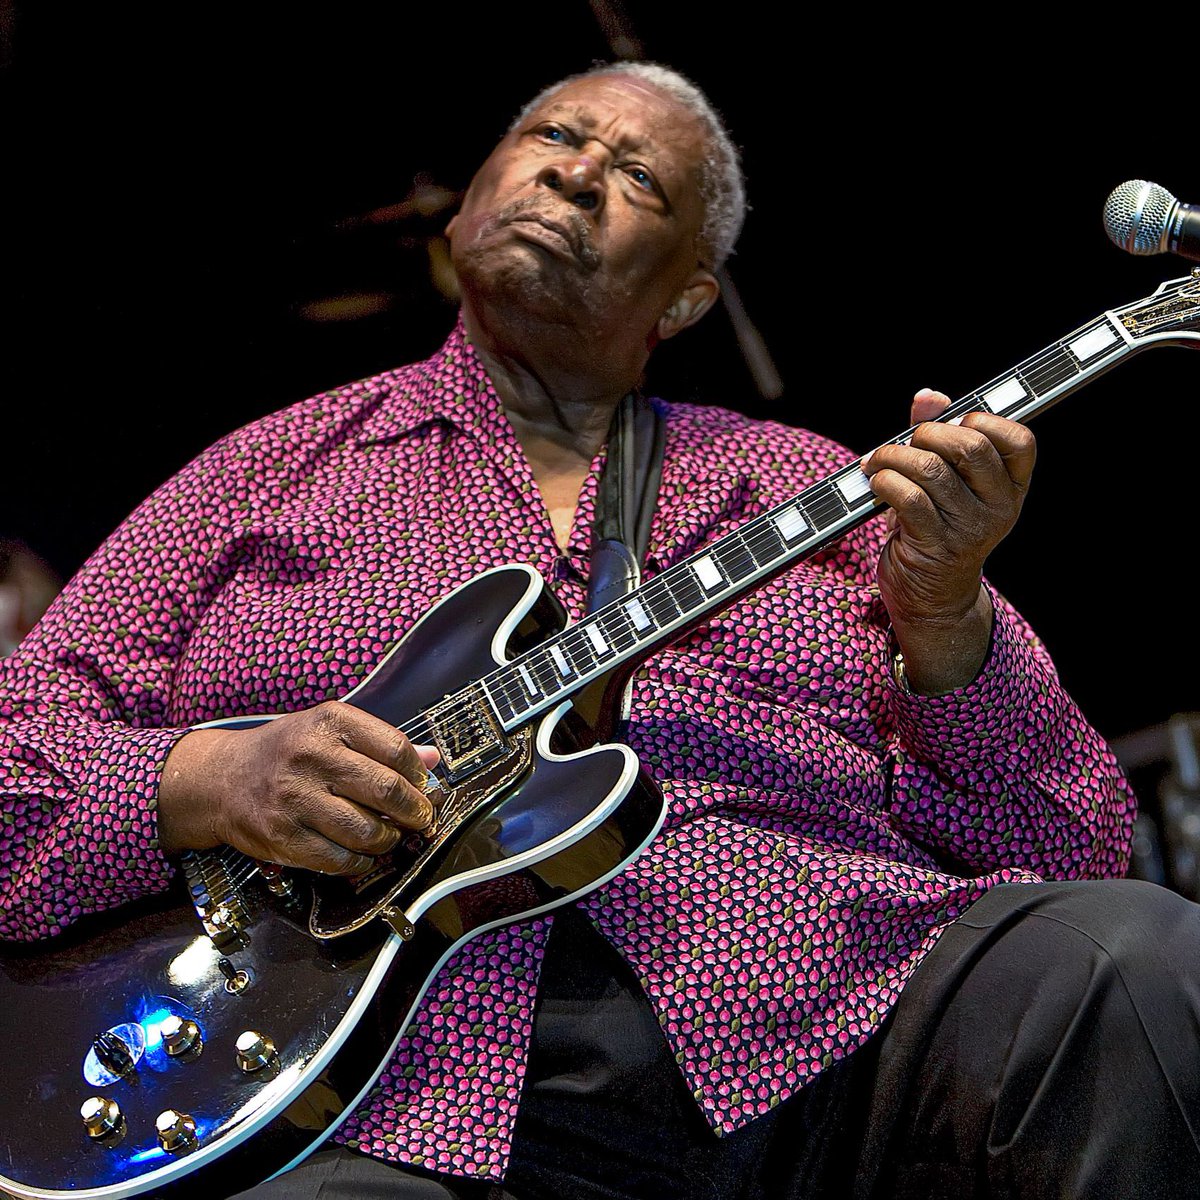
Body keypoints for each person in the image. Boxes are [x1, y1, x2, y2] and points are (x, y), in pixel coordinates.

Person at [0, 61, 1195, 1200]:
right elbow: (16, 752)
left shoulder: (803, 488)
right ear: (465, 205)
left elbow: (1070, 839)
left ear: (685, 294)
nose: (576, 174)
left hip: (838, 1031)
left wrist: (944, 616)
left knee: (1128, 966)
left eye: (638, 180)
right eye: (554, 138)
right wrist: (208, 777)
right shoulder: (263, 474)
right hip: (406, 1084)